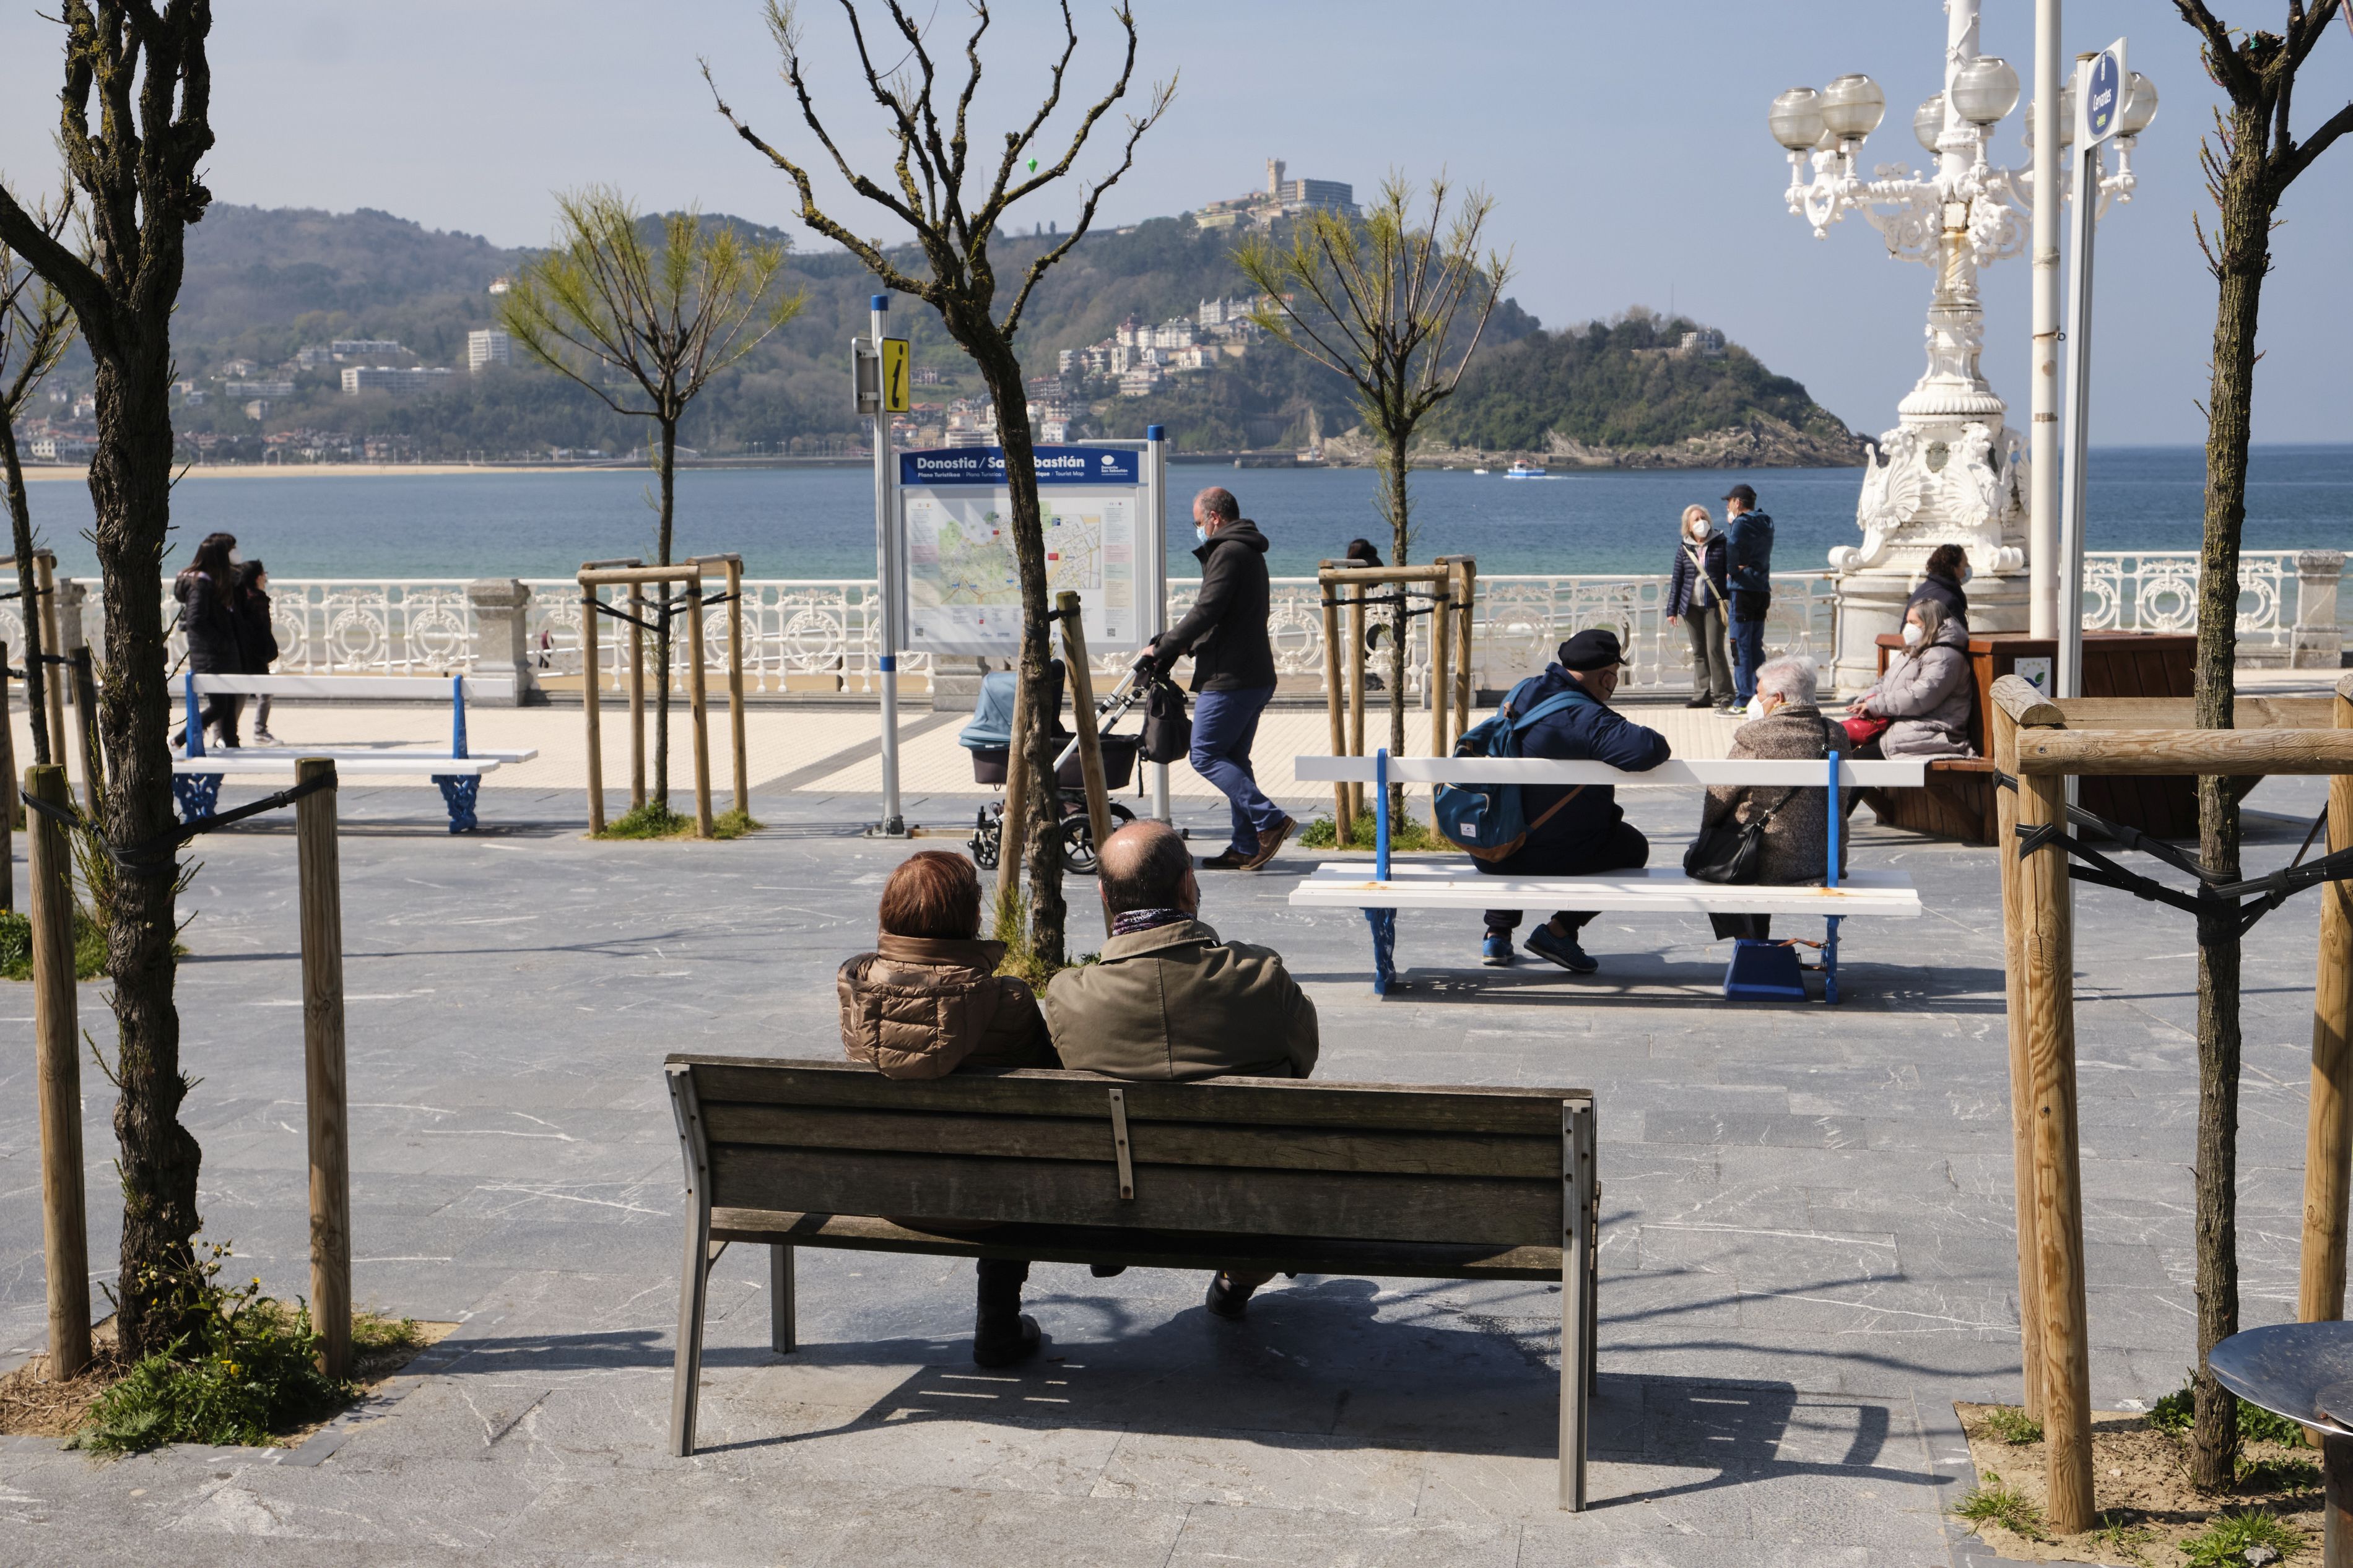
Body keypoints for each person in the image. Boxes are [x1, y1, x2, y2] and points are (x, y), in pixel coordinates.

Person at [1044, 819, 1318, 1320]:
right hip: (1251, 1210)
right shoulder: (1261, 977)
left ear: (1105, 896)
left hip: (1117, 1209)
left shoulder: (1068, 996)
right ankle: (1239, 1277)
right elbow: (1303, 1061)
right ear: (1188, 884)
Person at [837, 851, 1058, 1367]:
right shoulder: (1010, 1001)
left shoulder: (853, 990)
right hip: (992, 1202)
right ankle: (997, 1321)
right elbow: (1053, 1086)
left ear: (887, 915)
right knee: (1008, 1155)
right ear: (970, 919)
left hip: (888, 1187)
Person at [1477, 629, 1671, 972]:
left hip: (1493, 851)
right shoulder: (1586, 718)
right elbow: (1651, 749)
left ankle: (1498, 931)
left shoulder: (1523, 690)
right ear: (1607, 676)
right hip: (1542, 853)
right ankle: (1560, 931)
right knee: (1633, 847)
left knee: (1519, 814)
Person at [1143, 487, 1292, 872]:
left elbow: (1206, 611)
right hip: (1254, 673)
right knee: (1234, 758)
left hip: (1232, 677)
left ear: (1214, 518)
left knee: (1206, 754)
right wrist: (1174, 645)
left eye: (1198, 523)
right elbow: (1227, 617)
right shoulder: (1248, 551)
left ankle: (1271, 821)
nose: (1198, 531)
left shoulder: (1228, 552)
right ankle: (1245, 846)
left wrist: (1163, 649)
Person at [1695, 655, 1848, 945]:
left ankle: (1751, 944)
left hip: (1763, 864)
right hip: (1824, 862)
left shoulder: (1757, 735)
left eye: (1759, 694)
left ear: (1778, 699)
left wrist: (1707, 833)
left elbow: (1720, 796)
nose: (1755, 700)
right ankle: (1756, 944)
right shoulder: (1835, 733)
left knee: (1711, 858)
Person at [1845, 597, 1977, 758]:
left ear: (1930, 624)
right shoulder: (1912, 651)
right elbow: (1884, 683)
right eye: (1908, 622)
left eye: (1914, 623)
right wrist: (1864, 700)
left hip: (1931, 733)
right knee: (1839, 745)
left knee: (1856, 759)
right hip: (1905, 729)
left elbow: (1920, 697)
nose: (1908, 628)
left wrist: (1875, 705)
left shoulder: (1945, 657)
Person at [172, 531, 243, 748]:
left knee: (228, 705)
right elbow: (196, 621)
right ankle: (177, 741)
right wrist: (222, 643)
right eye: (232, 549)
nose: (237, 553)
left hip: (219, 656)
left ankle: (232, 744)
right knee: (219, 707)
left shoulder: (215, 581)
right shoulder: (201, 585)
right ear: (222, 555)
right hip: (211, 657)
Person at [1664, 504, 1732, 709]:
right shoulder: (1685, 548)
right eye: (1696, 519)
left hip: (1715, 605)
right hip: (1691, 607)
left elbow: (1729, 572)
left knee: (1715, 649)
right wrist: (1672, 609)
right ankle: (1702, 695)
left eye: (1703, 517)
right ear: (1689, 526)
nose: (1701, 521)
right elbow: (1678, 579)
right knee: (1699, 651)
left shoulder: (1722, 544)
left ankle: (1725, 696)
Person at [1723, 483, 1775, 715]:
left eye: (1729, 502)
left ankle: (1743, 699)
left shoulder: (1740, 523)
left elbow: (1732, 548)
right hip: (1761, 589)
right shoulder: (1766, 521)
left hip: (1743, 591)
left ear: (1737, 503)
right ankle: (1761, 694)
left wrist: (1733, 570)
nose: (1728, 507)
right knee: (1756, 646)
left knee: (1740, 647)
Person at [231, 559, 282, 745]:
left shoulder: (242, 597)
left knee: (243, 692)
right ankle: (259, 731)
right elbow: (260, 629)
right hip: (256, 654)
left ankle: (228, 732)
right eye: (264, 574)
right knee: (262, 692)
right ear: (258, 577)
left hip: (245, 653)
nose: (265, 578)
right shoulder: (256, 599)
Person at [1907, 543, 1972, 630]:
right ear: (1954, 568)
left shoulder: (1920, 591)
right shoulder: (1950, 600)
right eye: (1965, 564)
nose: (1968, 568)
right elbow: (1960, 636)